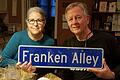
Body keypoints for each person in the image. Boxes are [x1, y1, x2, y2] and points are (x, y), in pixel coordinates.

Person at [62, 2, 120, 80]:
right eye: (70, 19)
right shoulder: (67, 44)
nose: (74, 22)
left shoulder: (107, 39)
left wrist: (112, 75)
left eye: (78, 17)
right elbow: (66, 74)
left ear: (87, 19)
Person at [0, 7, 57, 77]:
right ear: (27, 22)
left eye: (39, 20)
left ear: (44, 22)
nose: (35, 24)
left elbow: (51, 66)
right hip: (18, 76)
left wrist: (36, 68)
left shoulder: (50, 42)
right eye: (32, 20)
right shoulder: (18, 37)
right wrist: (17, 64)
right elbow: (3, 60)